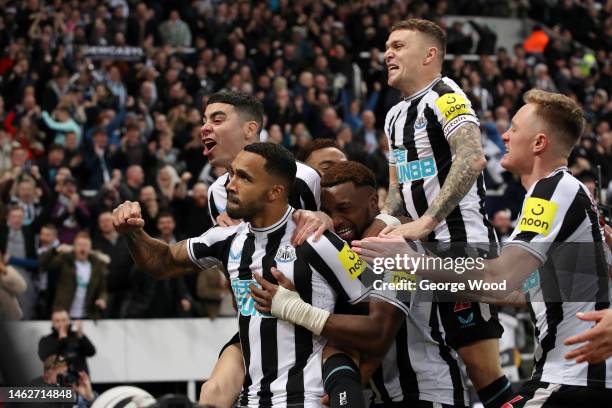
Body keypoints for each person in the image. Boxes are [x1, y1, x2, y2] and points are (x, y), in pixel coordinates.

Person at [354, 90, 612, 405]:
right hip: (569, 377)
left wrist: (411, 262)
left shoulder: (554, 190)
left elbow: (498, 280)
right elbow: (509, 292)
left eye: (515, 128)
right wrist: (431, 274)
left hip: (574, 380)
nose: (504, 134)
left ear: (539, 143)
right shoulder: (558, 194)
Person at [112, 143, 405, 408]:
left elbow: (378, 324)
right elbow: (161, 262)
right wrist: (133, 233)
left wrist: (301, 311)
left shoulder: (317, 240)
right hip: (251, 400)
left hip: (306, 398)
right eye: (231, 176)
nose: (230, 185)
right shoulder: (225, 239)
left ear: (275, 191)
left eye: (244, 178)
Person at [364, 19, 510, 408]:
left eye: (397, 46)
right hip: (418, 256)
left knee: (482, 370)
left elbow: (472, 156)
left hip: (460, 248)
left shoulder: (446, 95)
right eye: (386, 46)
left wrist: (427, 221)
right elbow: (397, 190)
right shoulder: (394, 115)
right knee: (440, 360)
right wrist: (380, 228)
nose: (387, 54)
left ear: (429, 54)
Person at [254, 161, 473, 407]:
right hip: (382, 397)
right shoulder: (342, 257)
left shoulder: (395, 244)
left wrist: (295, 309)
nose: (336, 221)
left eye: (344, 209)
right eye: (328, 211)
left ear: (372, 203)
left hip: (428, 393)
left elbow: (378, 333)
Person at [40, 232, 108, 319]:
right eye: (79, 244)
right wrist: (55, 251)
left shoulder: (97, 264)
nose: (82, 247)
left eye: (85, 245)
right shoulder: (65, 259)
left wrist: (102, 299)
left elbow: (103, 289)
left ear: (90, 248)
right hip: (63, 314)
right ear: (74, 247)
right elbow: (43, 264)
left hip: (88, 315)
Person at [38, 309, 96, 374]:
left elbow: (91, 352)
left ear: (69, 321)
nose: (61, 324)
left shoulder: (77, 336)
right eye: (57, 321)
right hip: (57, 380)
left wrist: (81, 336)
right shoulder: (46, 340)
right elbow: (45, 358)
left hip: (80, 379)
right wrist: (61, 341)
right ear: (53, 323)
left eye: (64, 320)